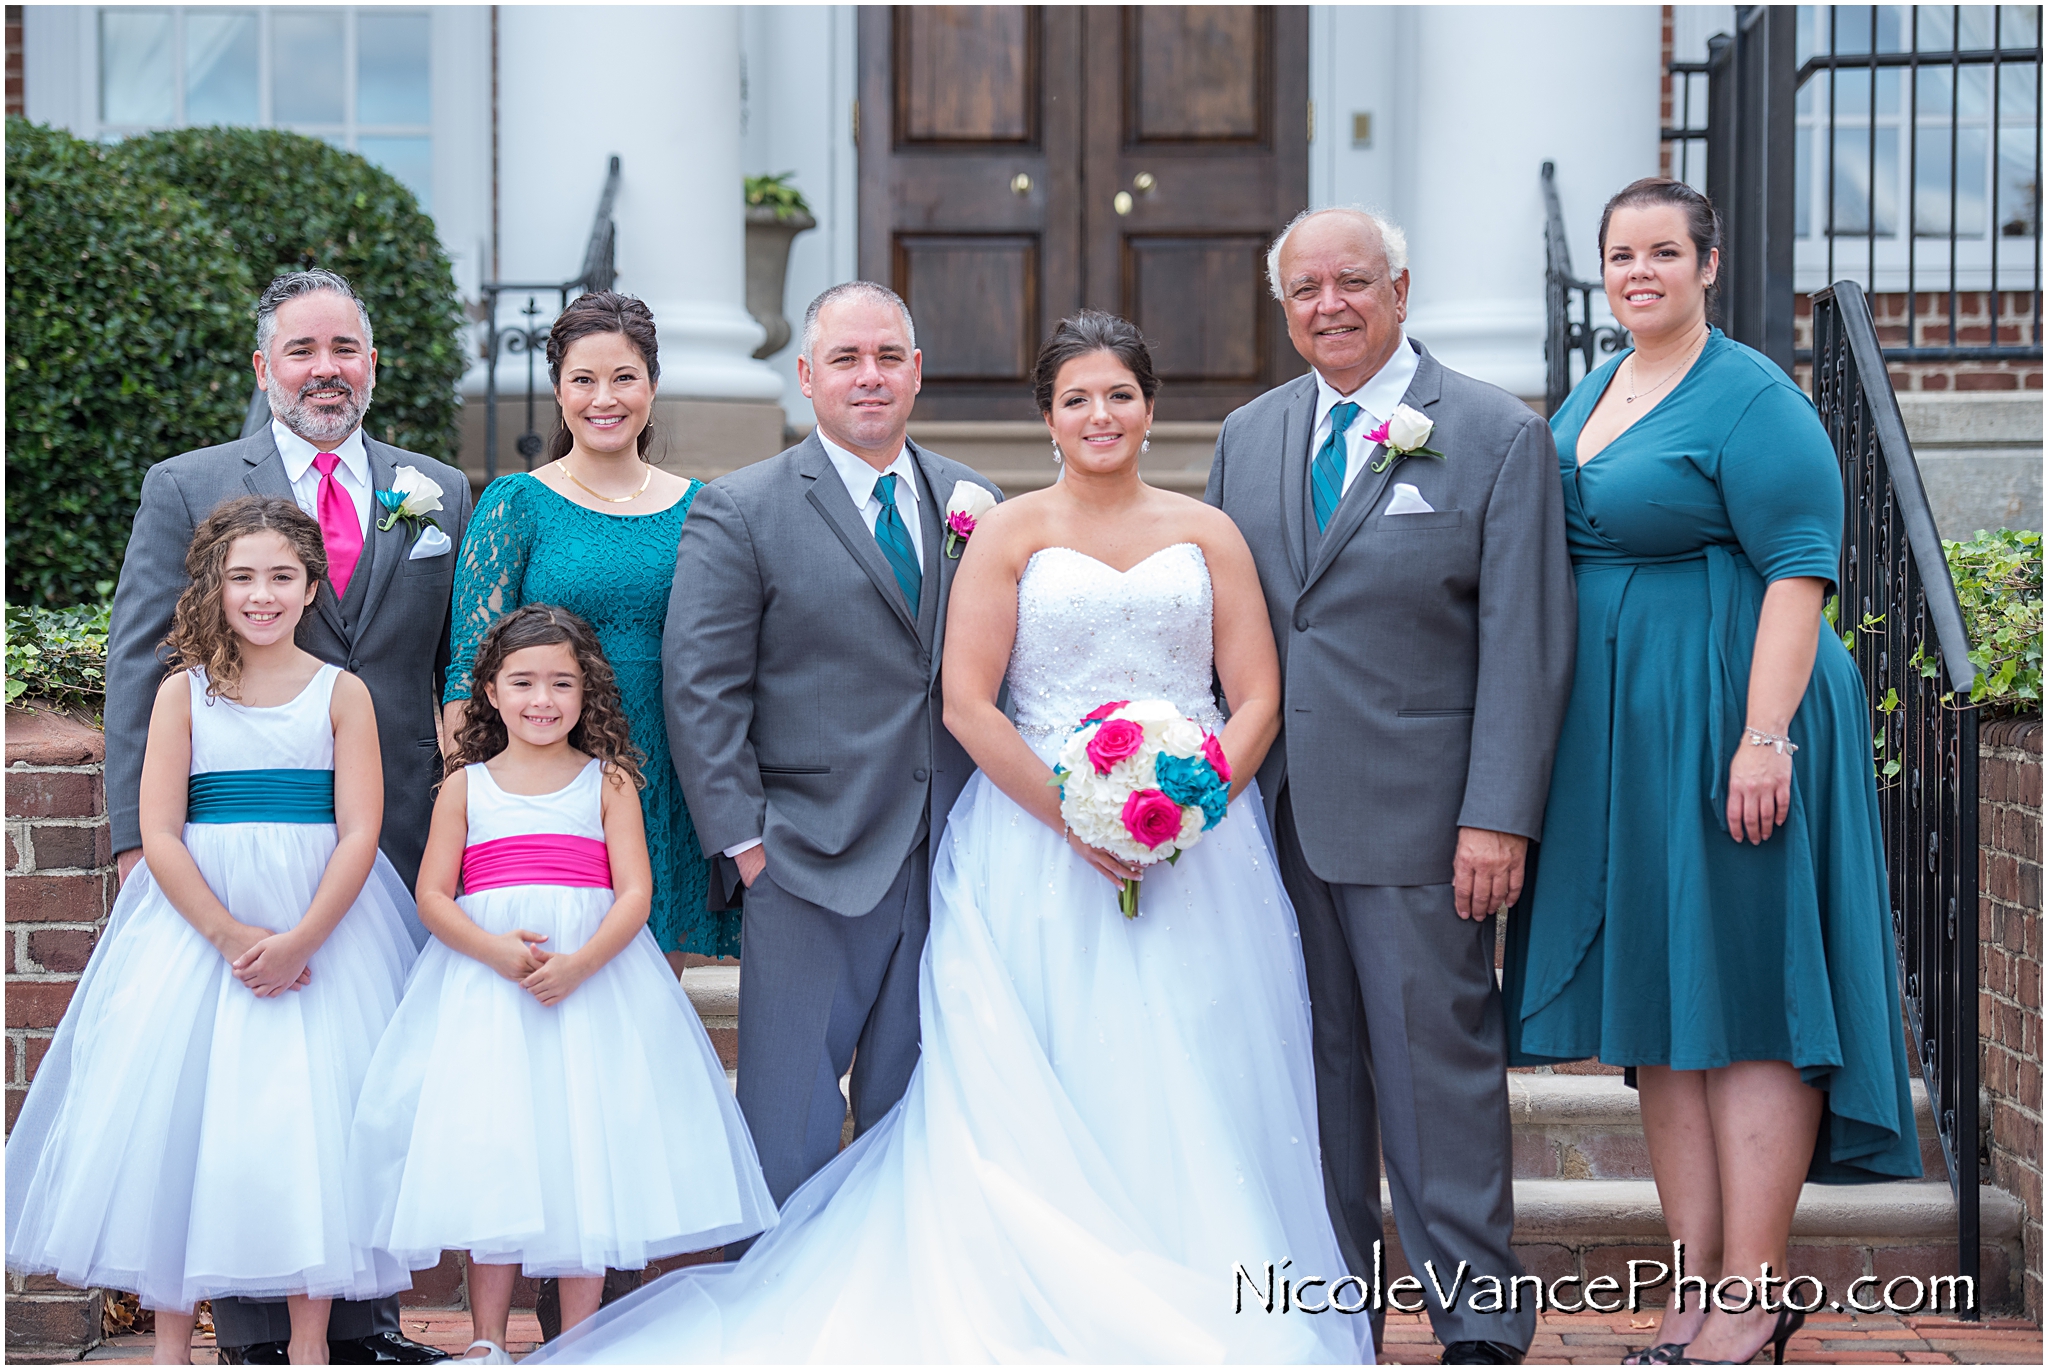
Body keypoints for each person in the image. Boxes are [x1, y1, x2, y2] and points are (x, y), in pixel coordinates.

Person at [524, 312, 1370, 1364]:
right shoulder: (801, 509)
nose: (1097, 414)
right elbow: (725, 685)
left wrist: (1189, 800)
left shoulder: (989, 499)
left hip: (1089, 846)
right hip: (906, 841)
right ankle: (793, 1285)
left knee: (1157, 1070)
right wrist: (744, 838)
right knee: (801, 1105)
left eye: (1117, 395)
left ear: (1150, 408)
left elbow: (1250, 694)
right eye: (1074, 397)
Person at [1501, 178, 1920, 1368]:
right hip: (1627, 739)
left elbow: (1799, 568)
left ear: (1707, 264)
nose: (1637, 271)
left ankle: (1752, 1290)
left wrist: (1762, 734)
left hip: (1734, 718)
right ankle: (1690, 1293)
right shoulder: (1595, 388)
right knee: (1667, 1011)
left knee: (1742, 1003)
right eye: (1619, 254)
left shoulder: (1750, 397)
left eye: (1661, 253)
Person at [1207, 207, 1577, 1364]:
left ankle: (1476, 1323)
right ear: (1283, 306)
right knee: (1310, 1081)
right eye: (1305, 288)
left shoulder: (1492, 434)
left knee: (1436, 1077)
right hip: (1270, 826)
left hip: (1423, 823)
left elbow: (1525, 643)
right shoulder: (1248, 433)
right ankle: (1336, 1316)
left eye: (1352, 282)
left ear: (1400, 290)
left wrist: (1495, 814)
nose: (1329, 305)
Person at [100, 268, 468, 1365]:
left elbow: (457, 663)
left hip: (389, 834)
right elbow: (138, 662)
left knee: (360, 1079)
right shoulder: (190, 483)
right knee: (249, 1088)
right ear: (263, 367)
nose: (325, 370)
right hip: (240, 849)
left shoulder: (436, 486)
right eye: (301, 351)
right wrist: (132, 833)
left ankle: (369, 1321)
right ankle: (258, 1331)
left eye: (344, 349)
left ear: (372, 363)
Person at [7, 498, 418, 1365]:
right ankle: (172, 1345)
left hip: (326, 927)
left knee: (317, 1129)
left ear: (312, 588)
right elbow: (160, 831)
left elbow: (361, 829)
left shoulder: (342, 694)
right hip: (197, 930)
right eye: (242, 578)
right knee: (180, 1123)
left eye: (281, 577)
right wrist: (231, 936)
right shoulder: (181, 693)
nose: (261, 595)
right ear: (215, 588)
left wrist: (304, 938)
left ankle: (311, 1343)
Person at [349, 605, 775, 1364]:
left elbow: (635, 893)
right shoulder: (467, 787)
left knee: (587, 1160)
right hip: (487, 995)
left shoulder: (606, 781)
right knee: (495, 1157)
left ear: (587, 694)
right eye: (523, 683)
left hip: (596, 988)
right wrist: (493, 951)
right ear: (489, 690)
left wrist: (579, 964)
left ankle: (580, 1343)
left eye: (560, 684)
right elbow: (433, 897)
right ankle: (487, 1342)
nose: (541, 700)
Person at [658, 281, 1000, 1216]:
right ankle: (775, 1312)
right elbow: (702, 689)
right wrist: (748, 847)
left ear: (917, 371)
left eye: (889, 357)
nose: (870, 376)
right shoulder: (743, 509)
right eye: (846, 359)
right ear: (807, 377)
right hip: (805, 857)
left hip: (946, 854)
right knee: (788, 1123)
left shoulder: (977, 501)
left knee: (916, 1111)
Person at [442, 292, 725, 973]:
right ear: (560, 392)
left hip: (667, 767)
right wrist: (475, 802)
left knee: (650, 981)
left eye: (624, 377)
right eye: (584, 380)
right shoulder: (517, 503)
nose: (606, 398)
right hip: (548, 769)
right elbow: (467, 669)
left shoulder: (699, 509)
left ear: (652, 386)